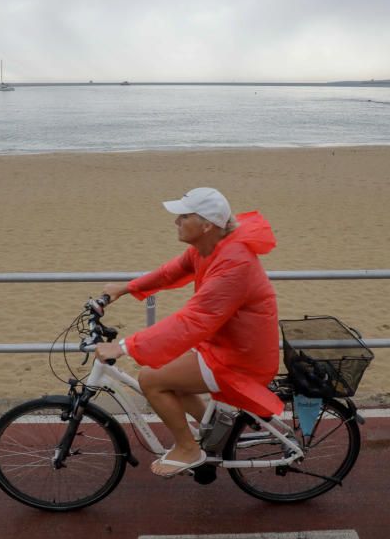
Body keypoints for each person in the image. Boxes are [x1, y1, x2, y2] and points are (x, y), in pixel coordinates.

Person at [94, 187, 283, 478]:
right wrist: (127, 287)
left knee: (152, 379)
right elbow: (171, 271)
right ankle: (213, 434)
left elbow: (194, 319)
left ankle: (188, 448)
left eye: (184, 216)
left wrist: (125, 346)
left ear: (206, 224)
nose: (176, 222)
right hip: (222, 343)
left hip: (240, 356)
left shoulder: (235, 263)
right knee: (168, 372)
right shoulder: (209, 247)